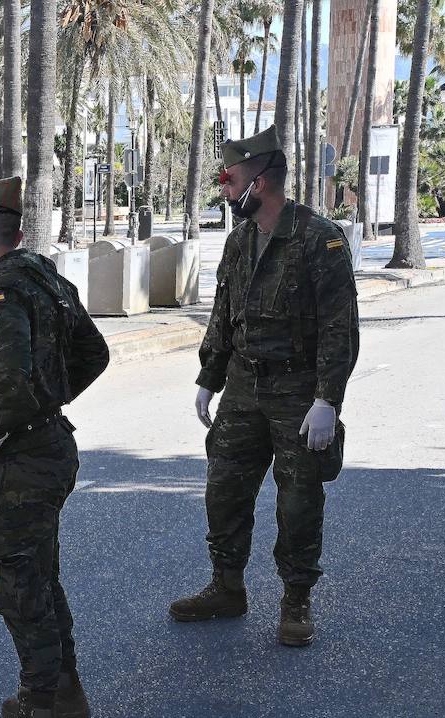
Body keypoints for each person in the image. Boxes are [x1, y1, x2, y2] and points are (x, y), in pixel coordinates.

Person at [169, 126, 359, 647]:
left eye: (229, 179)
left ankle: (296, 599)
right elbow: (224, 314)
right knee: (223, 491)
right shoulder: (239, 239)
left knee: (298, 500)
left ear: (261, 180)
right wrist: (210, 378)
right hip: (243, 388)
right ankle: (226, 586)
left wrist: (327, 399)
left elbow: (341, 327)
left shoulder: (320, 239)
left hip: (298, 392)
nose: (224, 189)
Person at [0, 177, 111, 718]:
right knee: (40, 576)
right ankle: (62, 693)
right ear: (17, 232)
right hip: (51, 443)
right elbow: (94, 353)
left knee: (20, 588)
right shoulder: (44, 274)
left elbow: (12, 379)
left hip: (23, 456)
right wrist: (52, 399)